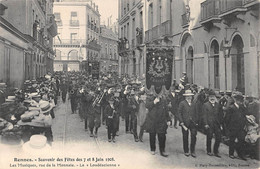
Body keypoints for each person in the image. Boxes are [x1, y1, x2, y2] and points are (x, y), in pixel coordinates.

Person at [145, 92, 171, 157]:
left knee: (162, 136)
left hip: (161, 121)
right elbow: (147, 105)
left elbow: (166, 110)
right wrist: (154, 102)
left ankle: (162, 150)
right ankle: (153, 149)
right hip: (152, 120)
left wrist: (168, 119)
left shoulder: (164, 99)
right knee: (152, 135)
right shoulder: (149, 98)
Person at [225, 92, 247, 160]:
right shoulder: (231, 108)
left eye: (241, 101)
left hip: (240, 128)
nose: (240, 102)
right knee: (232, 140)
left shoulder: (242, 108)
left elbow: (244, 117)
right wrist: (229, 128)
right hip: (233, 128)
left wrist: (244, 125)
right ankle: (231, 153)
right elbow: (227, 119)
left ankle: (240, 155)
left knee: (241, 141)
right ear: (236, 100)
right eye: (239, 101)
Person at [178, 90, 198, 158]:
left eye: (190, 96)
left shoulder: (194, 103)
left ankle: (193, 151)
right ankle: (186, 150)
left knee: (193, 136)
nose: (189, 97)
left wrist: (196, 121)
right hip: (185, 123)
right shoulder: (182, 103)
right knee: (185, 137)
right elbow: (179, 113)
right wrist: (181, 122)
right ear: (185, 97)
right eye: (188, 96)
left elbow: (196, 112)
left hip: (193, 123)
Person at [202, 89, 223, 158]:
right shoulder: (205, 105)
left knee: (218, 138)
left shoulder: (218, 105)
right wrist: (205, 124)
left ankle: (216, 151)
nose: (212, 97)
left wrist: (221, 124)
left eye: (213, 96)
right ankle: (209, 150)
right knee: (209, 137)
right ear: (208, 97)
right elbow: (204, 115)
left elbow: (220, 115)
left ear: (215, 97)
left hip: (217, 124)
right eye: (210, 96)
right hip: (209, 124)